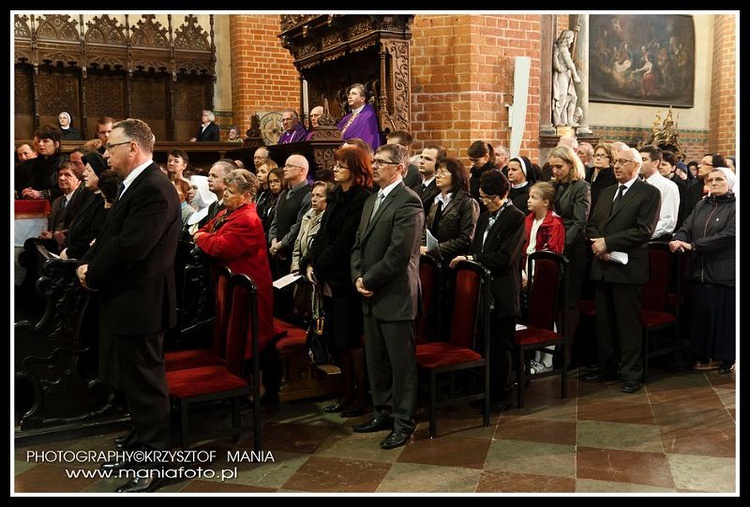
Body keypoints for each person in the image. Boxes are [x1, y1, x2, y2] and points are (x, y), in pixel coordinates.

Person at [76, 118, 181, 493]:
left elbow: (132, 247)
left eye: (111, 146)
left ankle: (156, 465)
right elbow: (111, 236)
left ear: (132, 148)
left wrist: (94, 273)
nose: (106, 153)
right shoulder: (134, 186)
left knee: (146, 385)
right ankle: (141, 447)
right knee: (134, 383)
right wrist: (89, 263)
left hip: (142, 301)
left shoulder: (153, 188)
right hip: (129, 300)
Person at [350, 143, 423, 450]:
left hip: (394, 293)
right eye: (374, 161)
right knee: (376, 359)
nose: (374, 166)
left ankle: (404, 421)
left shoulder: (409, 201)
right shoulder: (371, 200)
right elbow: (358, 245)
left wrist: (369, 278)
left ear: (399, 169)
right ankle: (382, 412)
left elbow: (398, 254)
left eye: (381, 162)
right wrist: (357, 276)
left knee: (400, 364)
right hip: (370, 292)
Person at [193, 169, 278, 398]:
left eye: (231, 192)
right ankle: (239, 384)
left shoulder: (248, 219)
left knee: (251, 338)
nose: (226, 196)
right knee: (235, 335)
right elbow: (203, 230)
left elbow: (221, 247)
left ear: (248, 195)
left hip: (250, 289)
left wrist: (203, 238)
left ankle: (257, 389)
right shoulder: (227, 212)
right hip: (231, 288)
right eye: (227, 191)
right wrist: (204, 237)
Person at [302, 146, 373, 418]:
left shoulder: (362, 199)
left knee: (351, 339)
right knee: (337, 340)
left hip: (346, 279)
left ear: (356, 170)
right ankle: (346, 391)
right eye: (337, 164)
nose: (336, 168)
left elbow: (345, 242)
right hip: (328, 276)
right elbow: (322, 235)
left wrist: (318, 266)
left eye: (342, 165)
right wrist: (310, 262)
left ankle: (360, 395)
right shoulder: (337, 196)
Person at [583, 147, 661, 394]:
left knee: (628, 325)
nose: (615, 166)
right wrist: (598, 245)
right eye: (615, 162)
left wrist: (609, 243)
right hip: (603, 264)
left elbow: (643, 230)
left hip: (628, 268)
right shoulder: (606, 193)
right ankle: (606, 367)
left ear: (636, 166)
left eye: (622, 162)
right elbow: (592, 224)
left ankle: (631, 374)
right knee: (604, 323)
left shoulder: (649, 193)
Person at [449, 169, 525, 413]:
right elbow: (476, 244)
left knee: (501, 345)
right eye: (482, 197)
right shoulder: (483, 216)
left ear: (502, 194)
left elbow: (505, 257)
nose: (485, 202)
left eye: (489, 197)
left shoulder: (515, 217)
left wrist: (472, 258)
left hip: (503, 290)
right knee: (484, 342)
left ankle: (502, 393)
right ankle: (484, 389)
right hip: (483, 290)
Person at [669, 167, 735, 375]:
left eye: (719, 179)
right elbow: (687, 226)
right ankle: (703, 355)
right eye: (710, 180)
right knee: (702, 315)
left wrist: (695, 246)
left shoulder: (735, 206)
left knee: (723, 319)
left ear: (730, 181)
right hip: (700, 271)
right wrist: (678, 238)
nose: (714, 183)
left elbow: (729, 235)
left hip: (723, 270)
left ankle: (725, 358)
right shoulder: (701, 204)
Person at [548, 145, 591, 348]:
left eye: (559, 166)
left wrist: (562, 245)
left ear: (571, 164)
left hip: (572, 248)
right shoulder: (554, 185)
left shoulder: (580, 186)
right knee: (554, 299)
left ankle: (568, 351)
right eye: (552, 167)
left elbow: (579, 221)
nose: (555, 171)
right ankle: (552, 346)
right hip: (553, 246)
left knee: (569, 300)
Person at [521, 181, 566, 373]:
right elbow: (522, 248)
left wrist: (533, 277)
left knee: (545, 316)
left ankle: (546, 361)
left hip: (544, 277)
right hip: (525, 273)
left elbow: (551, 254)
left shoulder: (554, 223)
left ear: (546, 202)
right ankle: (534, 357)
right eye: (529, 196)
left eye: (534, 197)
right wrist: (523, 274)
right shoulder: (528, 219)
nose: (529, 200)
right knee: (531, 317)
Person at [421, 156, 480, 262]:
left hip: (454, 260)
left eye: (443, 172)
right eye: (437, 172)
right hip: (432, 259)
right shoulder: (434, 199)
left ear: (455, 175)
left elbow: (465, 239)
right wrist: (422, 245)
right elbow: (426, 228)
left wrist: (435, 249)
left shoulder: (467, 202)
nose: (437, 176)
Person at [60, 152, 114, 260]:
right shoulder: (91, 196)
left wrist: (70, 253)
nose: (84, 174)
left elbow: (92, 235)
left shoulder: (104, 202)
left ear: (100, 174)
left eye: (89, 170)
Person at [639, 145, 680, 241]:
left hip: (652, 241)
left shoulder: (668, 186)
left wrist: (642, 236)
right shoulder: (636, 185)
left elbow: (667, 222)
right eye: (638, 159)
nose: (639, 163)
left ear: (656, 163)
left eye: (644, 159)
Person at [291, 181, 332, 274]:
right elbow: (297, 244)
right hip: (301, 271)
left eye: (319, 196)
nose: (314, 199)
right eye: (313, 195)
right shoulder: (307, 217)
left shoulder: (328, 220)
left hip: (316, 271)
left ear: (328, 199)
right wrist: (296, 266)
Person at [21, 125, 67, 201]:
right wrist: (26, 191)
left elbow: (66, 189)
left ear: (56, 144)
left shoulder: (65, 163)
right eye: (39, 141)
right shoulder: (29, 164)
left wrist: (41, 194)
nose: (40, 144)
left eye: (45, 141)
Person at [337, 83, 381, 152]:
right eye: (349, 94)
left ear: (362, 99)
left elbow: (364, 138)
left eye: (354, 94)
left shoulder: (369, 115)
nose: (349, 96)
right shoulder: (347, 118)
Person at [552, 29, 582, 126]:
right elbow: (569, 63)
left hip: (566, 75)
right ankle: (557, 120)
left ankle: (566, 120)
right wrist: (575, 75)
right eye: (572, 39)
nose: (572, 41)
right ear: (567, 38)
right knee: (562, 97)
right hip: (562, 74)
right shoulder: (563, 48)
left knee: (571, 98)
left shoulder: (565, 49)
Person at [411, 144, 445, 215]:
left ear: (439, 163)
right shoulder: (415, 187)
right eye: (421, 157)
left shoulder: (440, 189)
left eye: (427, 159)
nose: (421, 162)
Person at [585, 142, 617, 212]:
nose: (598, 158)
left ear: (610, 159)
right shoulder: (587, 173)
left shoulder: (613, 176)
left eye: (602, 156)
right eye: (596, 155)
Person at [467, 140, 498, 208]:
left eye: (476, 160)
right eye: (471, 160)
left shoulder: (493, 174)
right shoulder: (475, 173)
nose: (472, 163)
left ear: (486, 157)